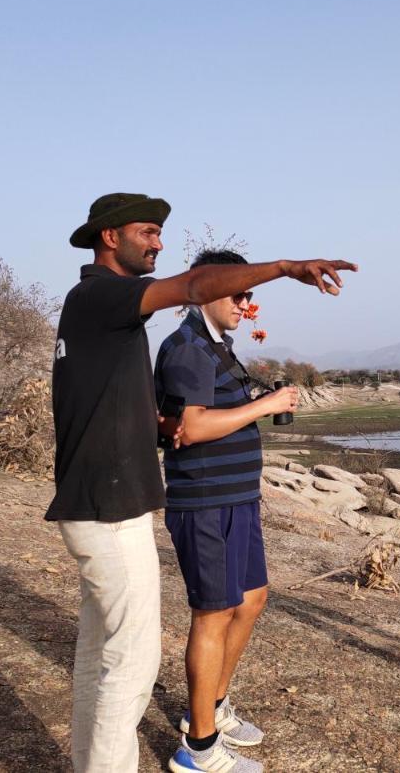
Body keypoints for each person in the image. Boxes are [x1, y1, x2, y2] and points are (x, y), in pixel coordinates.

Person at [46, 192, 355, 773]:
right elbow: (192, 286)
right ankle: (195, 750)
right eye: (146, 231)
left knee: (100, 656)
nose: (158, 242)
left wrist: (168, 424)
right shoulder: (103, 296)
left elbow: (145, 411)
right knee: (132, 665)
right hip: (110, 506)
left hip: (112, 501)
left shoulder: (103, 312)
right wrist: (288, 268)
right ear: (109, 237)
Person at [154, 249, 297, 773]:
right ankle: (198, 750)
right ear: (206, 287)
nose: (245, 301)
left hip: (236, 498)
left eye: (250, 293)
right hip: (205, 502)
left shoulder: (219, 346)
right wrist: (266, 405)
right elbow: (190, 428)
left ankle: (210, 707)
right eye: (238, 291)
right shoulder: (187, 347)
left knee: (253, 598)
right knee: (212, 614)